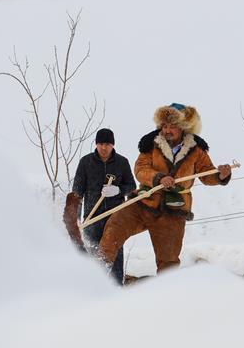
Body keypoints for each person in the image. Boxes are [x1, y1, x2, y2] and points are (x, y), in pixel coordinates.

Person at [98, 103, 231, 275]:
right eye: (165, 126)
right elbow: (140, 169)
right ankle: (97, 273)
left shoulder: (197, 150)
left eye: (172, 126)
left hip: (173, 212)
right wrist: (158, 178)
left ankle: (165, 296)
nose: (167, 130)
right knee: (114, 228)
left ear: (184, 127)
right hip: (144, 202)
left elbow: (207, 175)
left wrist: (221, 176)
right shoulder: (151, 144)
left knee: (168, 263)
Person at [63, 128, 136, 284]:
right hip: (92, 218)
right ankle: (94, 289)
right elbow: (77, 193)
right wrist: (75, 220)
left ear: (113, 145)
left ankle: (116, 289)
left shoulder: (122, 162)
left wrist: (118, 190)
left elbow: (131, 186)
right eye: (101, 144)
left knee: (115, 255)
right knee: (92, 256)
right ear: (96, 144)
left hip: (116, 219)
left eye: (107, 144)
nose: (104, 148)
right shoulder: (86, 162)